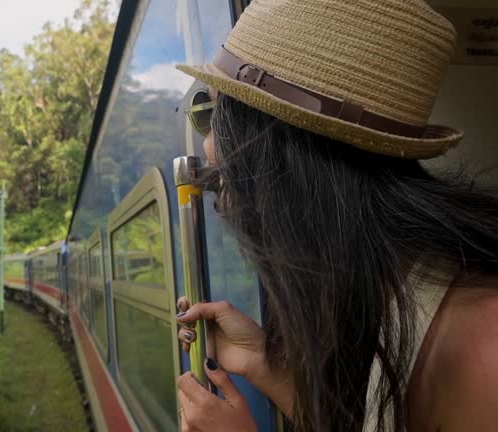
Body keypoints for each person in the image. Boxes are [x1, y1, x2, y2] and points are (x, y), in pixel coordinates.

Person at [173, 0, 498, 431]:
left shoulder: (484, 351)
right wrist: (262, 362)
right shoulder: (387, 293)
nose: (209, 147)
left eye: (215, 114)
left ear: (286, 164)